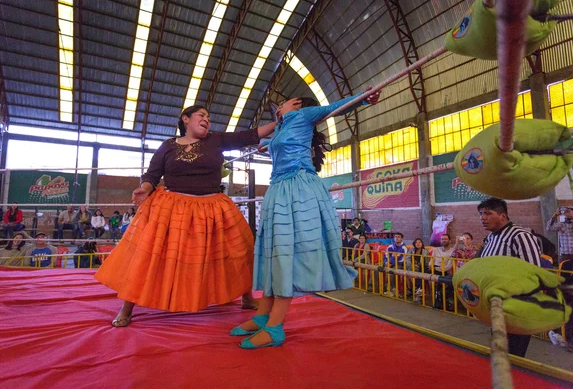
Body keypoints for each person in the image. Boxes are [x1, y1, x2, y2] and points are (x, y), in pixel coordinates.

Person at [95, 104, 282, 327]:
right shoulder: (168, 145)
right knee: (149, 256)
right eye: (201, 115)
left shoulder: (216, 140)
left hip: (214, 207)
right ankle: (127, 307)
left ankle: (246, 296)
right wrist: (145, 188)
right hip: (173, 207)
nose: (207, 119)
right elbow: (152, 174)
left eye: (209, 117)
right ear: (186, 119)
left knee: (237, 250)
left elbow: (250, 135)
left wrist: (279, 123)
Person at [232, 89, 380, 349]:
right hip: (278, 189)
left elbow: (338, 106)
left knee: (289, 253)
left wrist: (365, 97)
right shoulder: (283, 126)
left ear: (296, 103)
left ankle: (275, 326)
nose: (279, 106)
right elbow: (270, 145)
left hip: (298, 188)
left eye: (283, 103)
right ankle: (263, 316)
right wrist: (269, 138)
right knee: (275, 253)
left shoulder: (303, 115)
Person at [477, 197, 542, 357]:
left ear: (503, 216)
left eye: (487, 213)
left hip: (516, 308)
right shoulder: (491, 238)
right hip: (497, 306)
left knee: (513, 356)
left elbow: (533, 274)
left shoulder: (520, 236)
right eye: (481, 214)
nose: (482, 218)